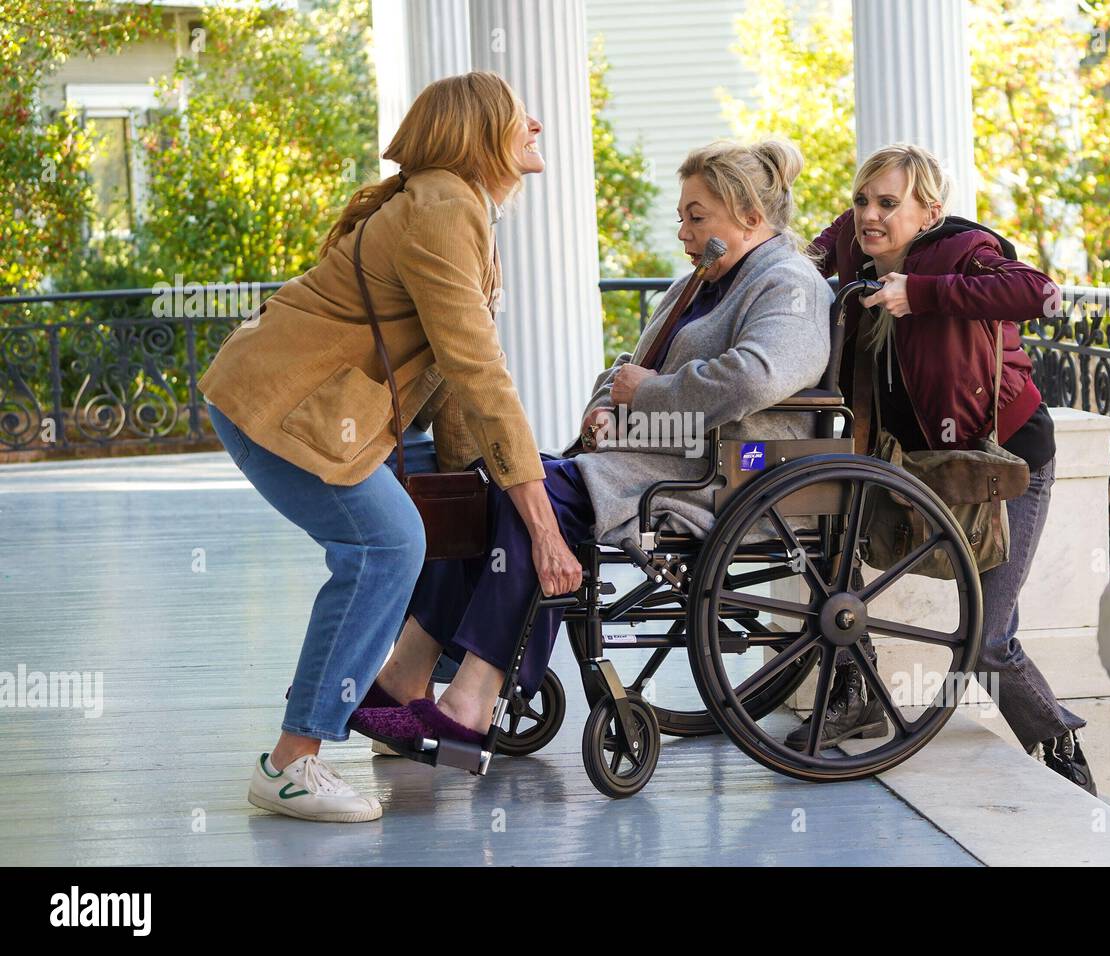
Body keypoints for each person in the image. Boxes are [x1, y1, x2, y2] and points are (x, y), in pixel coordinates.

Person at [349, 139, 833, 750]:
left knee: (541, 498)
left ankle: (472, 700)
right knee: (490, 484)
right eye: (682, 215)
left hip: (728, 469)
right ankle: (405, 677)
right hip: (655, 452)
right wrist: (606, 404)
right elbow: (629, 367)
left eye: (696, 216)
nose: (683, 230)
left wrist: (649, 395)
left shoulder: (789, 284)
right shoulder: (701, 282)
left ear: (750, 218)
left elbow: (756, 376)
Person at [198, 71, 580, 822]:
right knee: (385, 546)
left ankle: (394, 705)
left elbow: (452, 376)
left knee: (397, 542)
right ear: (480, 134)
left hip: (285, 402)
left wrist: (494, 485)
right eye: (518, 115)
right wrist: (540, 520)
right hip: (278, 407)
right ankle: (290, 763)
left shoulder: (452, 202)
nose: (536, 124)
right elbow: (478, 371)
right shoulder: (444, 208)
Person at [795, 143, 1096, 794]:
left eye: (888, 203)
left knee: (986, 641)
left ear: (930, 212)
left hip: (1001, 464)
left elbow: (1039, 293)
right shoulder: (852, 241)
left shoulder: (961, 250)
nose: (868, 215)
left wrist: (922, 294)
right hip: (910, 462)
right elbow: (791, 262)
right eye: (861, 200)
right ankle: (856, 687)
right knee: (825, 538)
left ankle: (1058, 740)